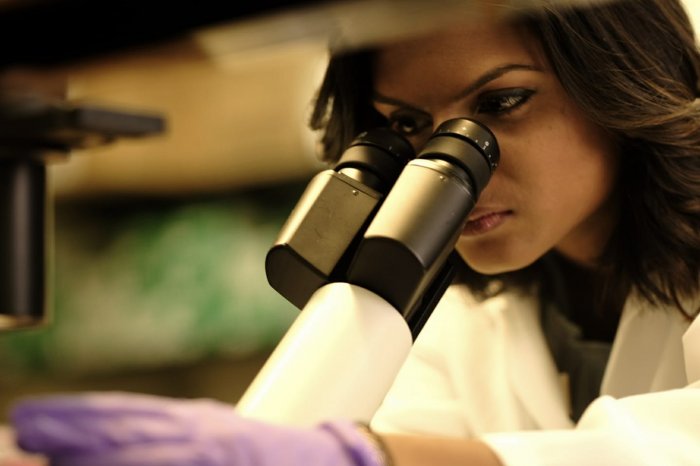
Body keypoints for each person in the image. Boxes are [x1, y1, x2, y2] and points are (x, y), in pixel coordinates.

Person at [8, 0, 700, 465]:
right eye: (408, 126)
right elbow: (395, 435)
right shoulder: (467, 314)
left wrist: (360, 458)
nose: (455, 168)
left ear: (621, 79)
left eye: (502, 102)